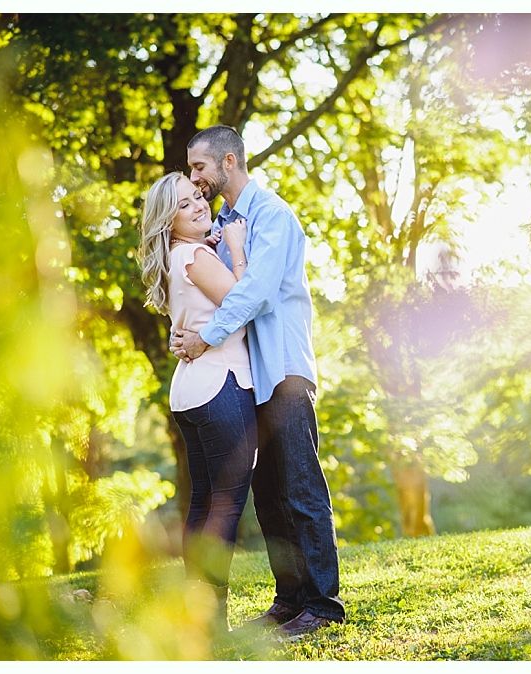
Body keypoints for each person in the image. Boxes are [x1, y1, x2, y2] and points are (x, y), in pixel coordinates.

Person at [170, 125, 345, 639]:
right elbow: (214, 290)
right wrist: (189, 332)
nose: (195, 178)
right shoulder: (222, 224)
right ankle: (289, 600)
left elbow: (258, 292)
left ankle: (322, 604)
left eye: (199, 167)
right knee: (269, 495)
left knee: (301, 488)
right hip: (251, 377)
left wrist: (206, 339)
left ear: (228, 161)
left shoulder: (271, 215)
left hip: (284, 369)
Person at [139, 171, 256, 638]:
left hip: (191, 390)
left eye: (197, 198)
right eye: (184, 205)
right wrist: (238, 248)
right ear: (169, 221)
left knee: (203, 502)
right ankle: (213, 622)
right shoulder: (193, 254)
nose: (199, 205)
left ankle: (198, 616)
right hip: (219, 384)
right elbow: (242, 304)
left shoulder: (177, 256)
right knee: (225, 505)